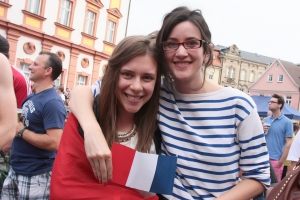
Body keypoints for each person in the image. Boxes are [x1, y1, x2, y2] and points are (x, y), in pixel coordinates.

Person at [70, 7, 270, 199]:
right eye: (172, 44)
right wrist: (91, 131)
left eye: (191, 43)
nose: (181, 52)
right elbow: (81, 93)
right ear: (163, 51)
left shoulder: (239, 105)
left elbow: (259, 176)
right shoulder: (155, 90)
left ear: (207, 52)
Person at [50, 36, 161, 199]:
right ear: (113, 74)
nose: (137, 87)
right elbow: (63, 190)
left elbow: (151, 194)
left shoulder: (158, 130)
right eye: (127, 74)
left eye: (147, 77)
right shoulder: (83, 119)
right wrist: (91, 129)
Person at [1, 52, 67, 199]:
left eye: (35, 64)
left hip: (36, 175)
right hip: (16, 168)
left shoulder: (53, 103)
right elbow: (26, 126)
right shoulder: (33, 96)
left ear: (48, 71)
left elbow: (54, 142)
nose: (30, 67)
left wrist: (21, 131)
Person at [264, 94, 293, 182]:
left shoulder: (287, 122)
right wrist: (261, 130)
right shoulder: (266, 119)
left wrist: (281, 161)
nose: (270, 103)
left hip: (276, 160)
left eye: (272, 102)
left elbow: (289, 143)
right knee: (260, 187)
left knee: (272, 189)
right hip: (264, 158)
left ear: (279, 105)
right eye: (269, 101)